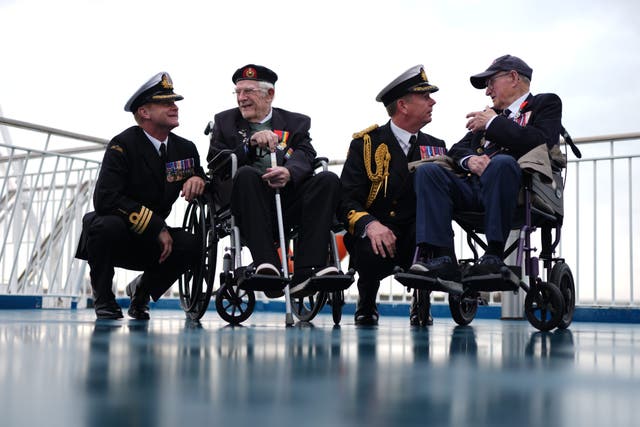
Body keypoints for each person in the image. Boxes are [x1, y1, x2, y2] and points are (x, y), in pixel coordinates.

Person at [412, 54, 563, 279]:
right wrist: (470, 161)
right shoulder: (488, 115)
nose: (487, 91)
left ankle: (493, 255)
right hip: (474, 189)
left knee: (502, 163)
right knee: (428, 171)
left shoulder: (545, 103)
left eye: (491, 82)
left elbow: (541, 140)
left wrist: (493, 123)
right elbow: (456, 150)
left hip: (518, 192)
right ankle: (442, 257)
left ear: (513, 77)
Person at [75, 72, 206, 320]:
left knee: (191, 243)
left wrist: (198, 179)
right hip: (119, 235)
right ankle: (103, 299)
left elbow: (200, 177)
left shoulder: (185, 149)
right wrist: (156, 225)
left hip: (155, 243)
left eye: (174, 102)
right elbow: (105, 198)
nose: (174, 107)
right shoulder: (122, 145)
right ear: (144, 112)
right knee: (103, 224)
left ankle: (142, 293)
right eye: (166, 103)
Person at [206, 64, 341, 297]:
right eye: (237, 92)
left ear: (270, 94)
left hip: (287, 198)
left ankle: (307, 270)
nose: (241, 98)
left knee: (327, 179)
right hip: (245, 202)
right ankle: (267, 265)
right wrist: (248, 145)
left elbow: (306, 154)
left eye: (248, 91)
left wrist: (289, 172)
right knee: (247, 174)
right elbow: (216, 163)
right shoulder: (225, 122)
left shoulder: (295, 123)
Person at [339, 65, 447, 326]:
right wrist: (370, 225)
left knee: (428, 238)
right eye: (425, 96)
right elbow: (346, 198)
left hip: (416, 234)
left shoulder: (436, 146)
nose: (433, 101)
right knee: (369, 243)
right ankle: (366, 302)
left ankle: (422, 299)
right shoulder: (366, 144)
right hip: (376, 231)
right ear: (403, 105)